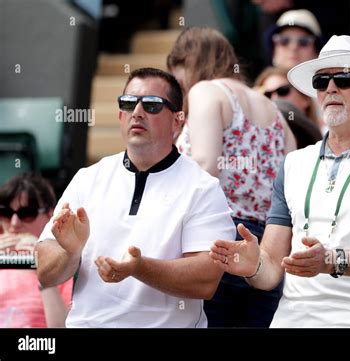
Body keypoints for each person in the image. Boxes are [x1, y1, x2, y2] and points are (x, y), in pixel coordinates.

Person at [210, 35, 350, 328]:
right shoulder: (293, 163)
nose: (330, 88)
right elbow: (269, 272)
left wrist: (331, 260)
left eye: (344, 78)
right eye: (321, 81)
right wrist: (252, 266)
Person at [35, 68, 236, 328]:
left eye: (152, 105)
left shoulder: (203, 188)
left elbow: (206, 280)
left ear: (178, 121)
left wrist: (138, 268)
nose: (137, 112)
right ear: (120, 115)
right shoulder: (87, 178)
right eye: (128, 103)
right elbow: (45, 273)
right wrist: (70, 252)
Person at [167, 26, 296, 327]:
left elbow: (204, 165)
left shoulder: (206, 91)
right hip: (269, 248)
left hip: (218, 240)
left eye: (179, 75)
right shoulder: (274, 111)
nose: (179, 88)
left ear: (189, 63)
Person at [0, 173, 72, 328]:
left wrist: (43, 269)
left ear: (50, 215)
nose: (14, 224)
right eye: (5, 213)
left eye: (27, 214)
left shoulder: (66, 264)